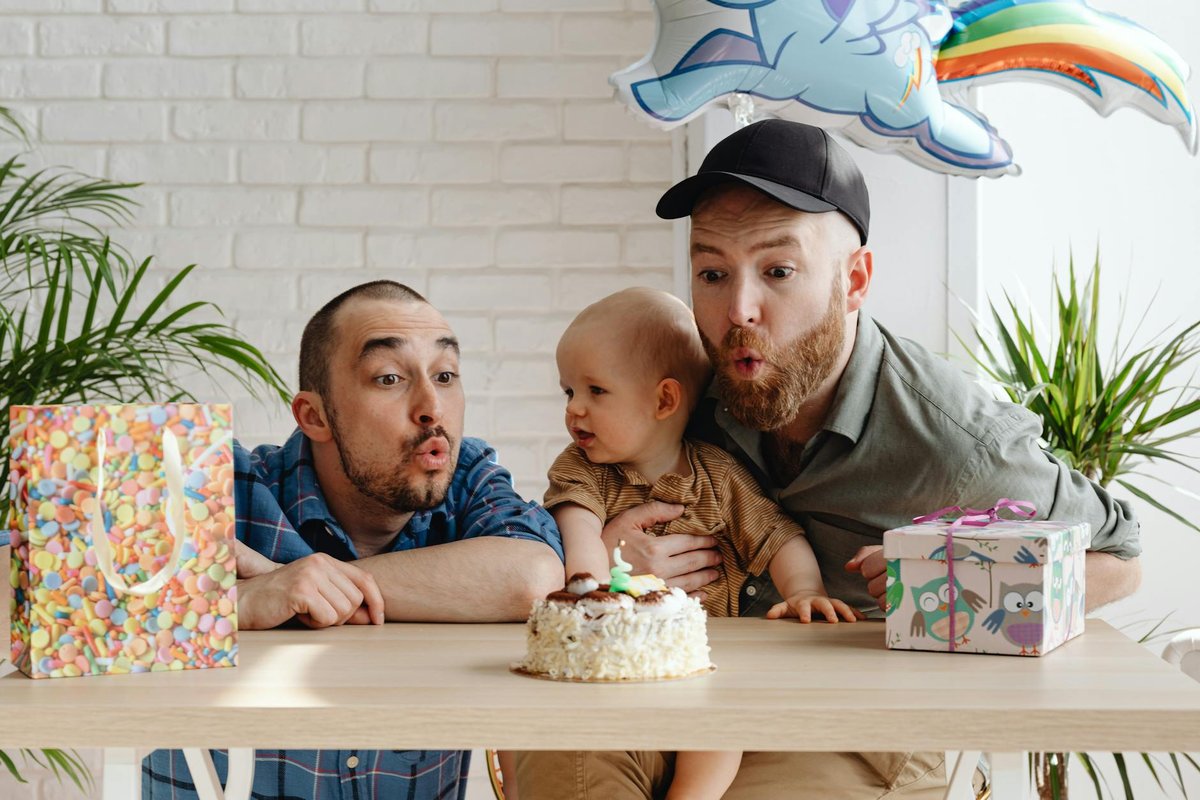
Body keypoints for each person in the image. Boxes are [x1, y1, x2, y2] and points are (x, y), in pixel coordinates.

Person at [519, 120, 1143, 799]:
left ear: (854, 281)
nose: (738, 310)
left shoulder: (955, 441)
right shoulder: (686, 384)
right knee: (561, 760)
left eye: (778, 271)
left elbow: (1122, 558)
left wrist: (953, 583)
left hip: (843, 728)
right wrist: (615, 558)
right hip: (674, 684)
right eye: (712, 273)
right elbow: (585, 494)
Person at [142, 280, 564, 800]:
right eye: (389, 378)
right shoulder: (219, 484)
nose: (432, 407)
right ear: (313, 416)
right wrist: (227, 605)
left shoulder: (466, 480)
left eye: (446, 375)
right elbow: (24, 590)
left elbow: (534, 578)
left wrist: (296, 589)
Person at [510, 287, 860, 800]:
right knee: (567, 726)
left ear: (665, 400)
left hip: (704, 659)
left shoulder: (717, 475)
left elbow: (776, 535)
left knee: (721, 730)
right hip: (620, 654)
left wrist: (804, 589)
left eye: (595, 391)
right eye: (568, 392)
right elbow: (577, 526)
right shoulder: (582, 469)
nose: (575, 410)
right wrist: (590, 588)